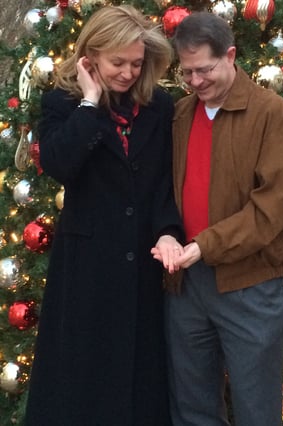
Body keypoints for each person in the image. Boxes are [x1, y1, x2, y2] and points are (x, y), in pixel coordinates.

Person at [24, 5, 184, 426]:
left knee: (139, 381)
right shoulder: (63, 101)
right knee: (83, 379)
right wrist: (90, 104)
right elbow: (60, 163)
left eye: (136, 63)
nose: (128, 73)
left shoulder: (160, 106)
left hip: (141, 267)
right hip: (87, 269)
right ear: (90, 56)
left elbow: (164, 182)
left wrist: (168, 231)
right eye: (118, 62)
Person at [153, 11, 283, 426]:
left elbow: (271, 209)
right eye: (187, 73)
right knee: (192, 407)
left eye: (204, 69)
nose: (196, 82)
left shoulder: (274, 116)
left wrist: (206, 245)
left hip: (250, 286)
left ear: (231, 56)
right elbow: (164, 190)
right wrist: (169, 235)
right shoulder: (181, 115)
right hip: (186, 285)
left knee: (256, 409)